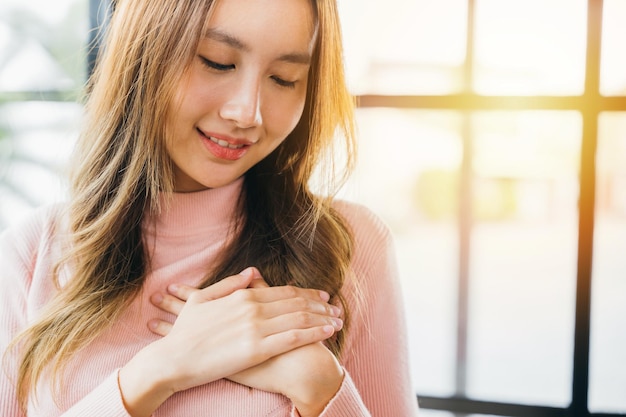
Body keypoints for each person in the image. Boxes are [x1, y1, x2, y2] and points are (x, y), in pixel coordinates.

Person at [0, 0, 419, 415]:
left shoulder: (349, 243)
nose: (246, 113)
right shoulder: (34, 251)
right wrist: (159, 371)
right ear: (144, 51)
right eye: (217, 62)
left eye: (284, 78)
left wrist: (321, 386)